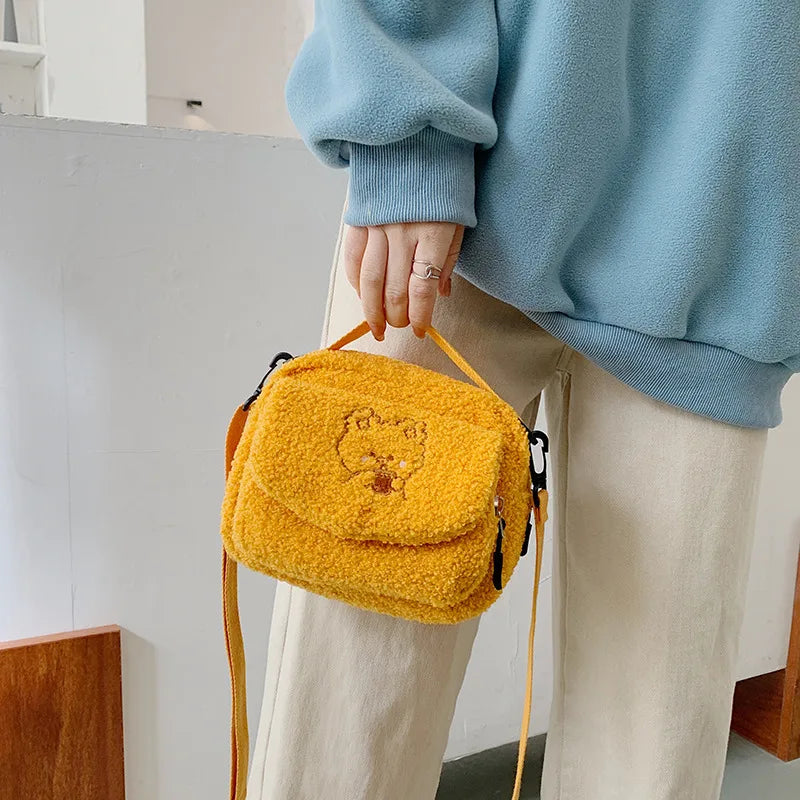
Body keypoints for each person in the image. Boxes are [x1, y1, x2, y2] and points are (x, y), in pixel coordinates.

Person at [246, 3, 799, 799]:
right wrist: (408, 135)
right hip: (468, 200)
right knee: (344, 728)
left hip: (727, 231)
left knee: (652, 747)